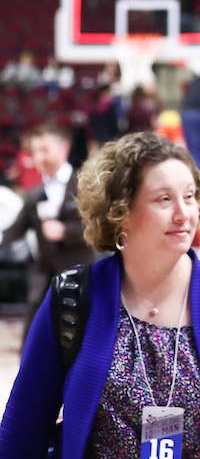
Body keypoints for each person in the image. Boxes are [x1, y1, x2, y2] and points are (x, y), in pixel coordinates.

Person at [0, 131, 200, 456]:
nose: (183, 214)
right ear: (120, 212)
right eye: (164, 199)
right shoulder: (72, 300)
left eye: (189, 197)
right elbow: (22, 430)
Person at [0, 123, 97, 341]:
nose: (39, 157)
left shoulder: (85, 185)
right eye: (34, 151)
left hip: (80, 275)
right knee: (33, 338)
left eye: (44, 150)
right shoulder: (35, 194)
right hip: (45, 276)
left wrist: (65, 231)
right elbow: (15, 230)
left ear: (63, 147)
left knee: (81, 337)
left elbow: (99, 228)